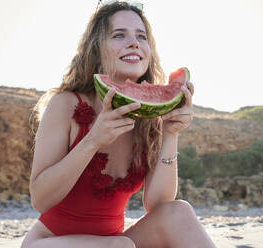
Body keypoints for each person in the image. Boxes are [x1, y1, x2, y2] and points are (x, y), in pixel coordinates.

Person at [21, 1, 216, 247]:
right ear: (96, 49)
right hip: (51, 242)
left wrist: (170, 134)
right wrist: (92, 141)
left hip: (114, 242)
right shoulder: (66, 104)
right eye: (119, 34)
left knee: (179, 212)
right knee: (120, 246)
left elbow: (158, 205)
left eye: (141, 36)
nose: (134, 42)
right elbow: (40, 199)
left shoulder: (149, 117)